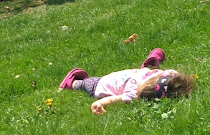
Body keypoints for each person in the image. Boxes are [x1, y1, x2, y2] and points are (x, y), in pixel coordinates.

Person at [59, 48, 193, 115]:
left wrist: (100, 102)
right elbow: (115, 98)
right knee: (83, 84)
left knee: (146, 69)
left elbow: (114, 99)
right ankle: (72, 80)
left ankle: (153, 60)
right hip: (100, 83)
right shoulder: (135, 91)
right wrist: (99, 102)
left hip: (134, 75)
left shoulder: (162, 75)